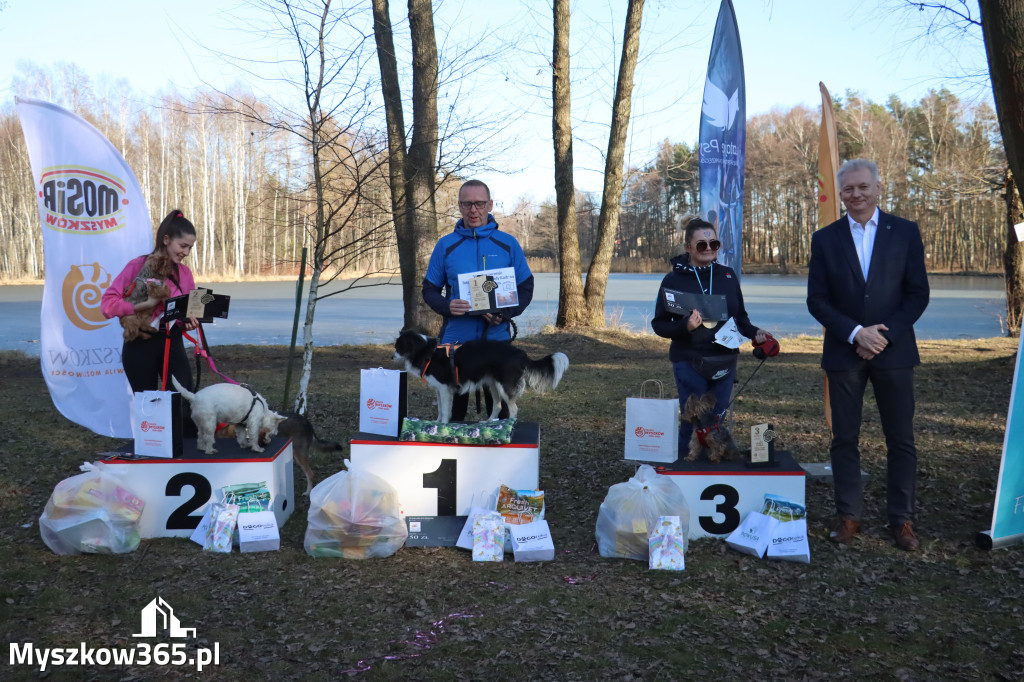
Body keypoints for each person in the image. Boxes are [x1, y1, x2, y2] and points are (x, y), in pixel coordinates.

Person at [807, 158, 930, 551]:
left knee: (901, 440)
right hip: (844, 354)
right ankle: (849, 515)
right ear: (841, 193)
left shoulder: (905, 233)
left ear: (878, 188)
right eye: (848, 189)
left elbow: (917, 294)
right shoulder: (824, 239)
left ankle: (903, 520)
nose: (856, 194)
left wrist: (882, 336)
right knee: (844, 439)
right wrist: (856, 332)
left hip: (894, 354)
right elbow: (817, 300)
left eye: (863, 187)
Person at [651, 217, 768, 457]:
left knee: (716, 421)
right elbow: (659, 325)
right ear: (688, 248)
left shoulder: (727, 276)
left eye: (713, 244)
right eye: (701, 245)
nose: (708, 249)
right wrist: (685, 326)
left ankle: (715, 471)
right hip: (689, 361)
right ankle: (688, 470)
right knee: (692, 420)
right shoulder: (673, 280)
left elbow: (741, 319)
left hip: (725, 361)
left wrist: (756, 332)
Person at [422, 180, 534, 421]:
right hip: (455, 346)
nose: (474, 209)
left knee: (503, 416)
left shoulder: (507, 244)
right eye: (467, 203)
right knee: (454, 418)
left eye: (479, 203)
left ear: (490, 205)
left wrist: (506, 314)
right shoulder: (445, 246)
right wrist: (446, 306)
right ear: (460, 206)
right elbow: (429, 289)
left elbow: (526, 287)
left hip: (496, 343)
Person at [102, 209, 200, 407]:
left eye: (190, 248)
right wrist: (143, 305)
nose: (186, 253)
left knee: (180, 404)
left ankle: (177, 439)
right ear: (166, 239)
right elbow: (107, 305)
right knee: (148, 406)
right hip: (140, 344)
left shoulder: (185, 273)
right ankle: (152, 439)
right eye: (182, 246)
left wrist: (190, 321)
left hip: (172, 343)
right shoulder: (137, 265)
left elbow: (189, 309)